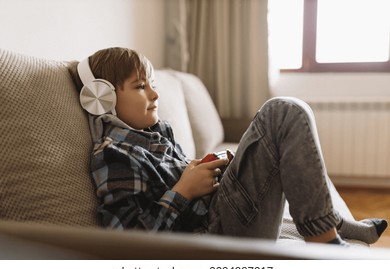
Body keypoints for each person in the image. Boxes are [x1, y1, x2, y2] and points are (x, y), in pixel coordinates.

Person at [68, 47, 387, 246]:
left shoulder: (155, 131)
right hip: (212, 235)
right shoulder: (114, 153)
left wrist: (206, 169)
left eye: (153, 84)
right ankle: (326, 241)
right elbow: (127, 242)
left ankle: (329, 224)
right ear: (103, 98)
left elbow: (179, 177)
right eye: (140, 86)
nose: (154, 94)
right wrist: (183, 192)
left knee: (278, 123)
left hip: (217, 211)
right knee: (282, 111)